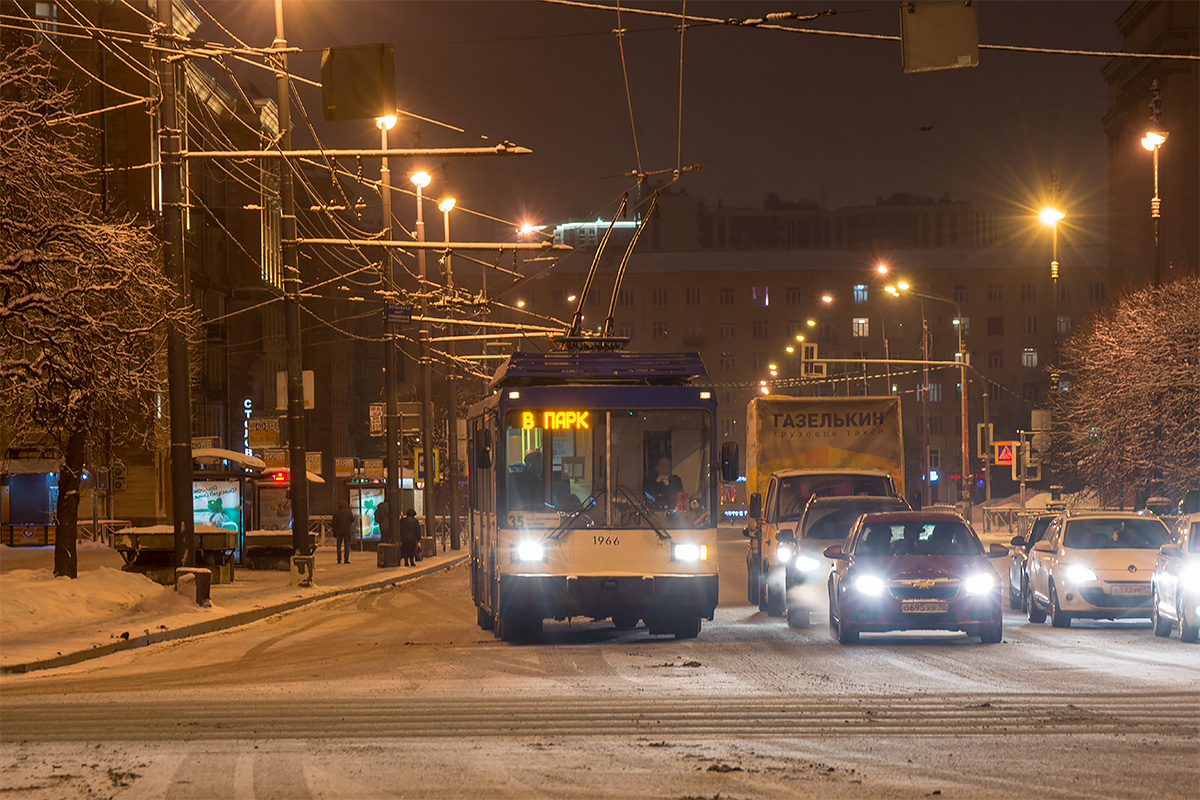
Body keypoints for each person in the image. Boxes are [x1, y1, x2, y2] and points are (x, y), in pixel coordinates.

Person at [332, 499, 354, 564]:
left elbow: (333, 524)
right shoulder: (348, 512)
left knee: (338, 546)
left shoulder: (336, 513)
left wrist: (334, 532)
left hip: (339, 532)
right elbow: (352, 519)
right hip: (347, 531)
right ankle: (346, 559)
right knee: (347, 545)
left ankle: (339, 559)